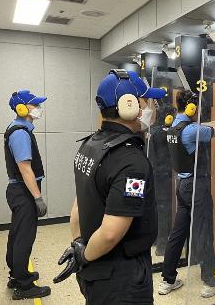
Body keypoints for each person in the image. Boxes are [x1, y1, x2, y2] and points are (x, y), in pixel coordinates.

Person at [53, 69, 165, 304]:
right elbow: (112, 232)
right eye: (146, 101)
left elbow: (78, 207)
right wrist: (84, 255)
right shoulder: (131, 162)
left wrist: (80, 246)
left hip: (95, 272)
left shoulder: (90, 145)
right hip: (121, 279)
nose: (150, 109)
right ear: (129, 105)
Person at [159, 90, 215, 298]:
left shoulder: (174, 127)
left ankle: (167, 279)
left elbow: (212, 123)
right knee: (204, 232)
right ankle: (210, 283)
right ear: (191, 108)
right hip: (196, 187)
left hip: (182, 186)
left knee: (178, 233)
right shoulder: (190, 131)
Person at [4, 90, 51, 300]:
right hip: (23, 192)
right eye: (35, 105)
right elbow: (25, 169)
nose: (38, 108)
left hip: (18, 191)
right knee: (24, 237)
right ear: (22, 108)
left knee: (16, 234)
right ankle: (23, 286)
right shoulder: (20, 132)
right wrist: (37, 197)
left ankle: (17, 275)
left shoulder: (19, 129)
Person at [149, 104, 177, 256]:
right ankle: (162, 245)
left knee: (158, 209)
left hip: (155, 175)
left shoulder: (155, 132)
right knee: (165, 210)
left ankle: (156, 240)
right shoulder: (171, 132)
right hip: (165, 176)